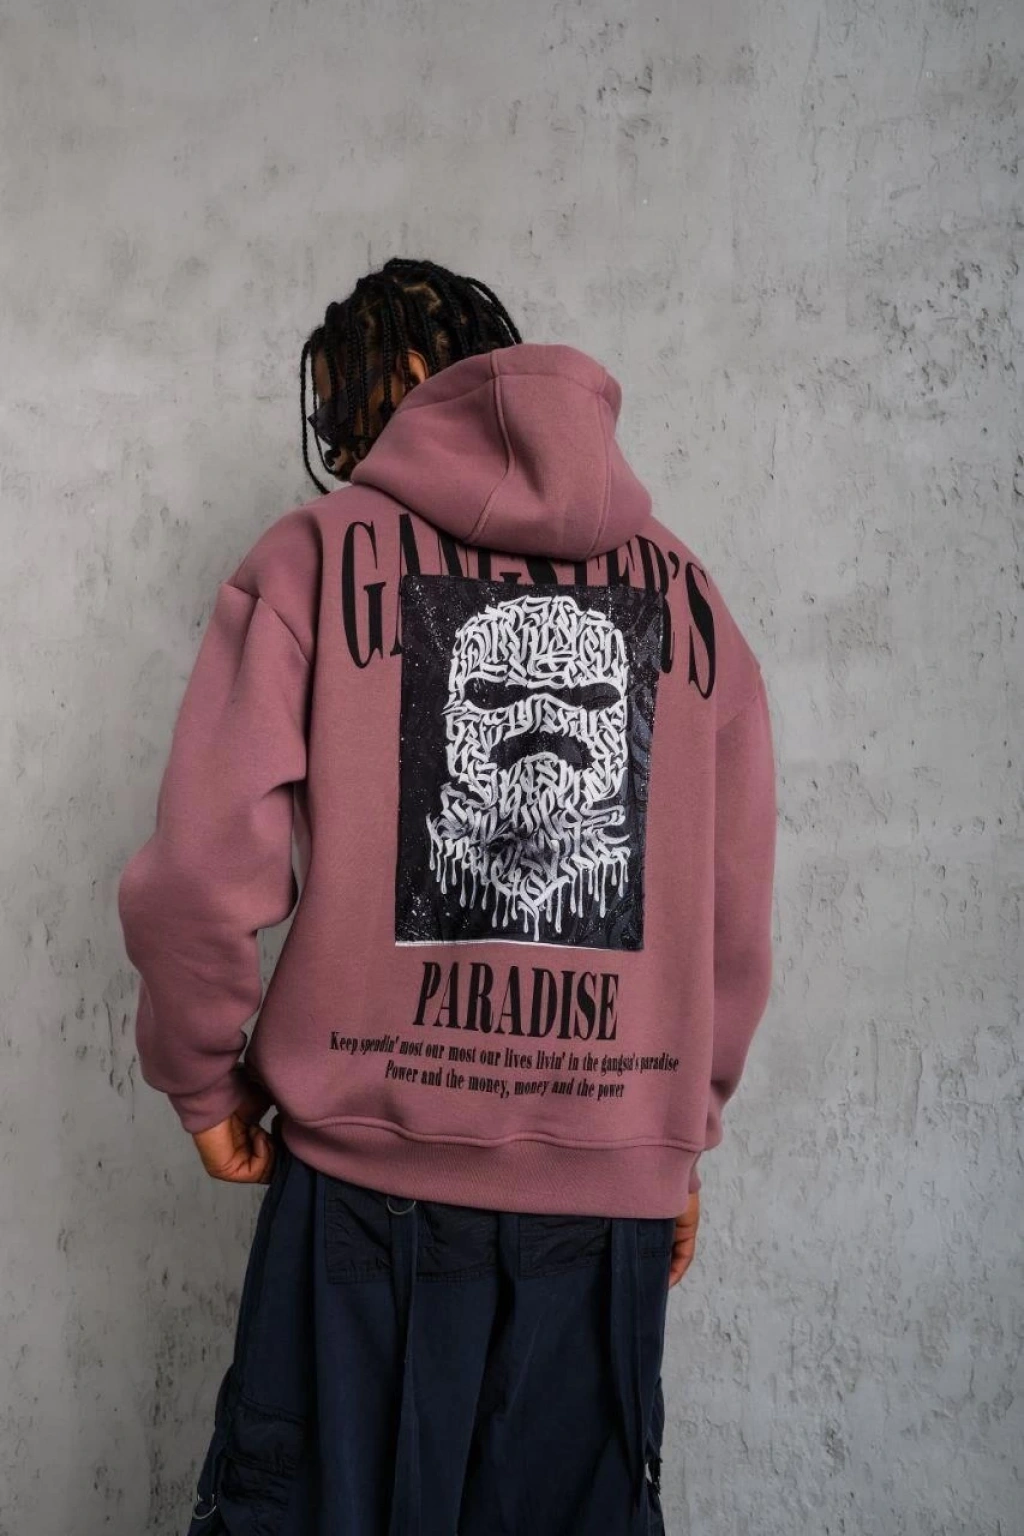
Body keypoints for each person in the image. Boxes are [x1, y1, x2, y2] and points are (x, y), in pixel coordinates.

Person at [117, 256, 777, 1535]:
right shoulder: (690, 597)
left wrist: (203, 1085)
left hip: (361, 1206)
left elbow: (198, 868)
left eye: (346, 407)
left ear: (422, 376)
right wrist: (676, 1128)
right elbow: (733, 908)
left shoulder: (311, 561)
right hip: (606, 1206)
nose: (342, 448)